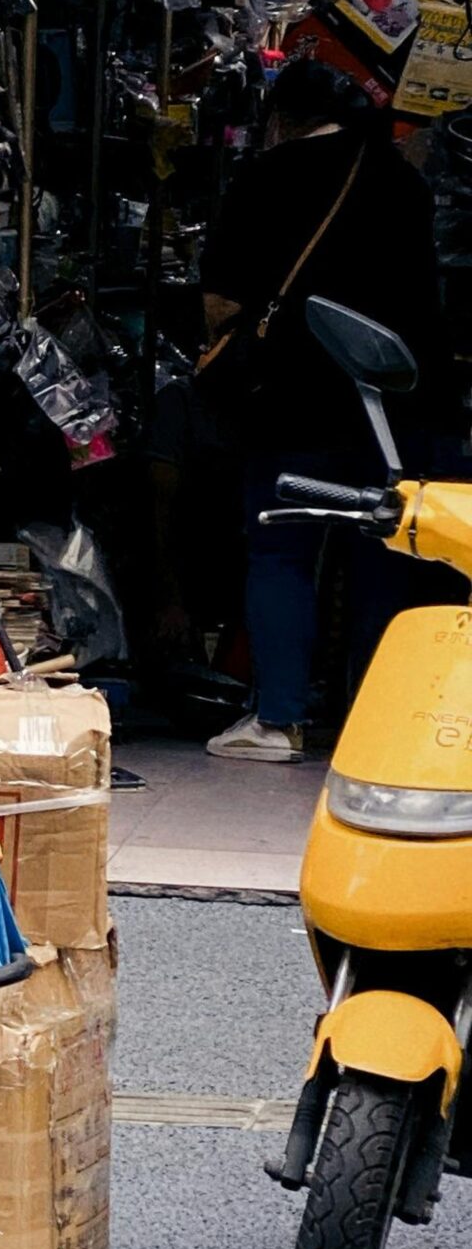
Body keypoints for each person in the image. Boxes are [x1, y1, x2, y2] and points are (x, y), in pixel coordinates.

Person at [198, 60, 459, 762]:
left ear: (282, 116)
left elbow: (220, 300)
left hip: (292, 404)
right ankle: (374, 718)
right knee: (385, 555)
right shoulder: (402, 181)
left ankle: (278, 721)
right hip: (395, 409)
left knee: (282, 551)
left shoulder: (264, 178)